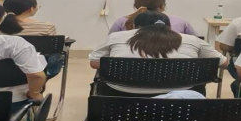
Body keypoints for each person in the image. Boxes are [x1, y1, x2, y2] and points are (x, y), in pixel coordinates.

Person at [89, 11, 226, 95]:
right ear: (169, 27)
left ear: (134, 26)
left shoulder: (116, 37)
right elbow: (222, 62)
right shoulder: (192, 40)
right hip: (181, 96)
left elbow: (94, 63)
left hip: (121, 92)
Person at [0, 0, 63, 78]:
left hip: (3, 67)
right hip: (37, 69)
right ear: (31, 9)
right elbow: (51, 48)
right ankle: (40, 81)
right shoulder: (47, 27)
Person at [108, 0, 198, 37]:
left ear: (136, 6)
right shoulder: (180, 21)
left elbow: (109, 41)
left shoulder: (122, 21)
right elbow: (196, 40)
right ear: (162, 6)